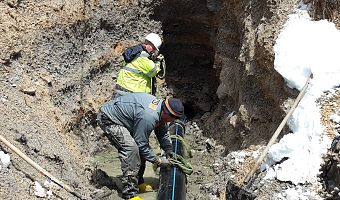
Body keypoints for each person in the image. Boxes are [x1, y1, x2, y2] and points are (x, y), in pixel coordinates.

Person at [96, 92, 184, 200]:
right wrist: (158, 161)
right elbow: (140, 145)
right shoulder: (149, 116)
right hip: (109, 119)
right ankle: (129, 193)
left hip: (126, 119)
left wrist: (168, 149)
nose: (173, 121)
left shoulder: (161, 110)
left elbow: (162, 132)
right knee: (131, 150)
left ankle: (138, 182)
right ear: (167, 114)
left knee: (143, 150)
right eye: (173, 118)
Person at [114, 33, 165, 98]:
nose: (154, 51)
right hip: (132, 93)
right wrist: (158, 62)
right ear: (148, 44)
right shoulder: (142, 56)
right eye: (154, 48)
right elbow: (153, 71)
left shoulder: (134, 52)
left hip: (121, 89)